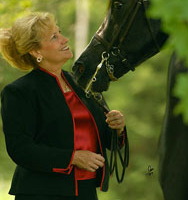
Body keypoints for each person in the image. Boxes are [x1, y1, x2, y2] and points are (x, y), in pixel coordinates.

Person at [0, 12, 126, 200]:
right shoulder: (19, 92)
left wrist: (118, 128)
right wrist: (73, 158)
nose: (64, 39)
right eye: (54, 37)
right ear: (36, 52)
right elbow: (21, 149)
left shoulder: (82, 82)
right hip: (41, 193)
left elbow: (107, 140)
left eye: (59, 32)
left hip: (85, 191)